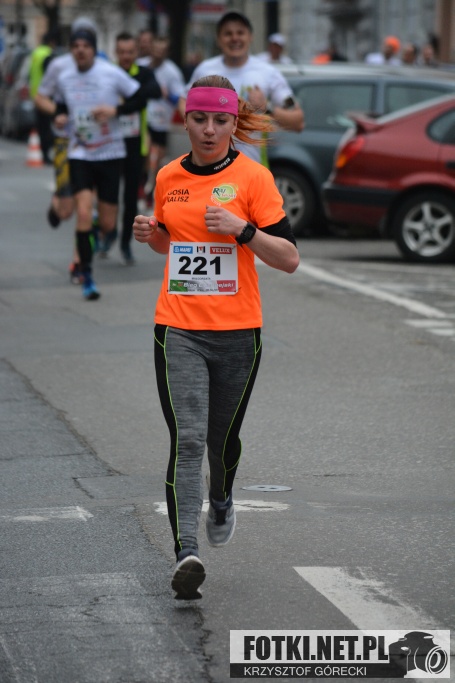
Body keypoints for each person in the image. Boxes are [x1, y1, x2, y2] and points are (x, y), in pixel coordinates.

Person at [132, 75, 300, 600]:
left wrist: (242, 229)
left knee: (221, 443)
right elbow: (170, 244)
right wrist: (152, 234)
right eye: (199, 119)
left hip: (237, 333)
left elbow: (289, 258)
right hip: (178, 328)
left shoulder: (254, 178)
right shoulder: (167, 176)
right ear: (185, 120)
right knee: (187, 440)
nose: (209, 130)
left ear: (233, 123)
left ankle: (222, 496)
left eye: (220, 120)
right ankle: (186, 553)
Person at [38, 27, 146, 300]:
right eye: (75, 46)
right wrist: (59, 116)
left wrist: (115, 110)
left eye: (85, 46)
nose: (80, 50)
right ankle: (86, 274)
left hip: (110, 153)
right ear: (71, 50)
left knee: (108, 224)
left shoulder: (110, 73)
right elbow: (60, 106)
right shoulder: (65, 77)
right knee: (83, 213)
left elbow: (139, 97)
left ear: (94, 49)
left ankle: (100, 228)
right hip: (80, 153)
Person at [179, 11, 304, 165]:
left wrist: (267, 108)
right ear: (219, 39)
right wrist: (197, 123)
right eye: (228, 33)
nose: (234, 38)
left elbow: (298, 121)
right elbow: (183, 101)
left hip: (252, 169)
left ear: (250, 37)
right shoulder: (205, 70)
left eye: (240, 33)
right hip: (209, 168)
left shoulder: (268, 72)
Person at [35, 17, 100, 284]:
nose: (82, 48)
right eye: (77, 41)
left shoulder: (103, 66)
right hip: (66, 141)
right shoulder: (59, 65)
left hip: (96, 145)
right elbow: (40, 97)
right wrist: (58, 113)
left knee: (86, 208)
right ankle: (56, 205)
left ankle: (79, 262)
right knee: (66, 211)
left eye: (88, 41)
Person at [115, 31, 162, 264]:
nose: (126, 56)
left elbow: (155, 91)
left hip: (136, 145)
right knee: (107, 196)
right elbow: (143, 96)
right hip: (110, 145)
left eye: (130, 52)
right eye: (122, 52)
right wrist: (136, 101)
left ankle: (125, 243)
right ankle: (106, 231)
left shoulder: (144, 73)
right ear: (116, 53)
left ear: (136, 53)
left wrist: (124, 105)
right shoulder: (109, 73)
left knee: (130, 198)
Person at [141, 36, 186, 205]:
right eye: (156, 49)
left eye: (162, 51)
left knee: (157, 159)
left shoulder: (172, 72)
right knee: (145, 153)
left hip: (162, 121)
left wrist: (168, 95)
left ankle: (152, 187)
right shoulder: (141, 65)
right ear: (151, 48)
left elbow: (181, 99)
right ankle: (144, 184)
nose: (158, 53)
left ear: (167, 52)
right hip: (143, 118)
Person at [29, 30, 59, 164]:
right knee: (48, 126)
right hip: (46, 97)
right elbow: (50, 77)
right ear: (52, 42)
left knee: (42, 127)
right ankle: (47, 154)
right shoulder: (47, 55)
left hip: (36, 96)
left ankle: (44, 153)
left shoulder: (36, 53)